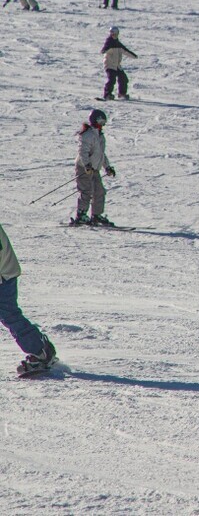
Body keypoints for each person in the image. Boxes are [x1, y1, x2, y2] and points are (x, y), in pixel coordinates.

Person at [0, 220, 58, 377]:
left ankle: (40, 351)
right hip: (5, 273)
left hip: (3, 276)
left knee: (9, 314)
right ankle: (40, 348)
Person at [72, 108, 117, 227]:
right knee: (86, 191)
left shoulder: (100, 136)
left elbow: (101, 154)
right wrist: (86, 165)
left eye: (104, 122)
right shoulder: (88, 134)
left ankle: (96, 215)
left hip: (94, 168)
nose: (103, 124)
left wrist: (107, 167)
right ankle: (81, 214)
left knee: (99, 191)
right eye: (101, 121)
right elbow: (83, 152)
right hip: (84, 167)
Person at [101, 27, 138, 101]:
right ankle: (107, 94)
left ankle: (122, 94)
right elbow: (104, 50)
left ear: (117, 34)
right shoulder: (109, 42)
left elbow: (125, 51)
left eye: (115, 34)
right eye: (112, 33)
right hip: (109, 65)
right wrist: (106, 49)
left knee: (123, 79)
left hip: (117, 65)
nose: (113, 35)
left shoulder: (118, 44)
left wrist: (134, 56)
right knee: (111, 79)